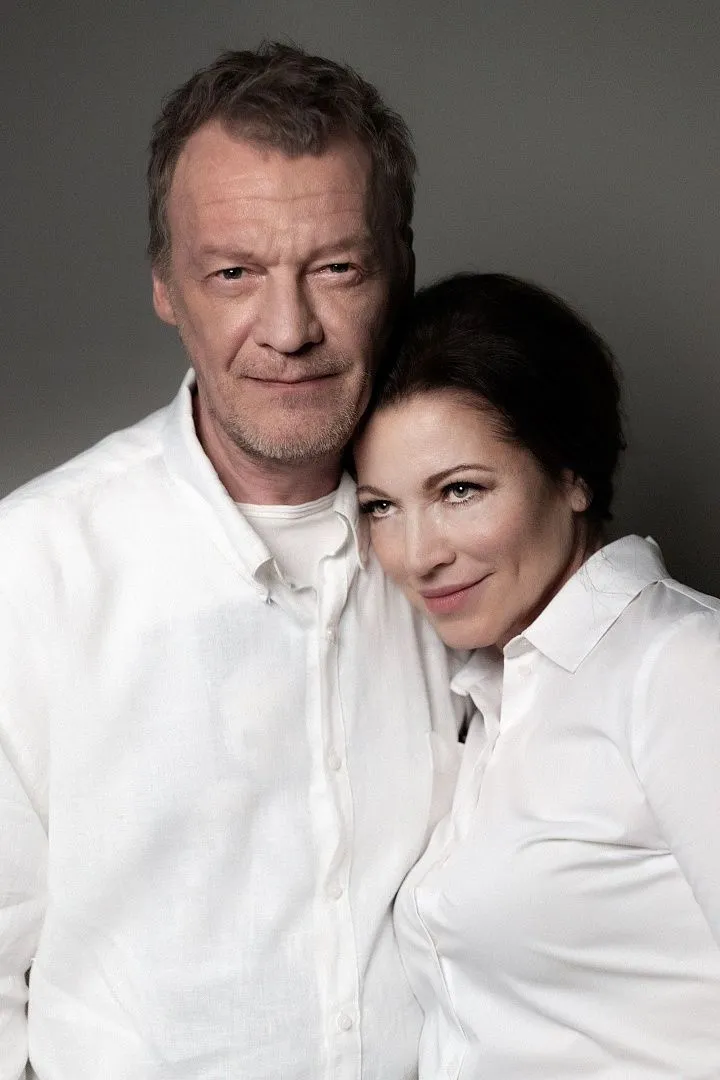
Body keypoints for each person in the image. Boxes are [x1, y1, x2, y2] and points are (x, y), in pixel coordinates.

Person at [0, 45, 466, 1079]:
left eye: (336, 268)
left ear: (399, 268)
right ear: (167, 285)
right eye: (234, 274)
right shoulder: (29, 571)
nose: (289, 331)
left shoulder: (474, 559)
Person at [354, 272, 720, 1079]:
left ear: (572, 472)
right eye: (381, 506)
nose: (418, 555)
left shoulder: (684, 668)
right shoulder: (487, 695)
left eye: (460, 490)